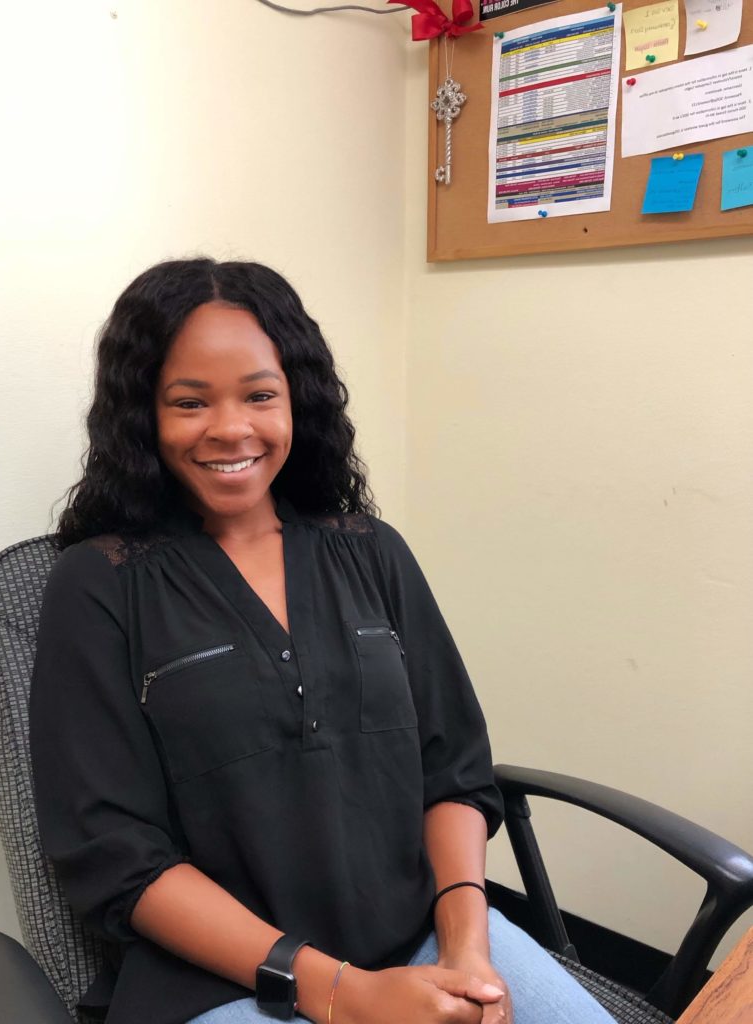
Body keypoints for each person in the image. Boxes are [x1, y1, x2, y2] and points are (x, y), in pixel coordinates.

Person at [30, 258, 616, 1024]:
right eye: (189, 401)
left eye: (259, 395)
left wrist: (465, 946)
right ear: (144, 416)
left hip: (420, 940)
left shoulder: (371, 551)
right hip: (225, 982)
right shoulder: (99, 583)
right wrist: (346, 994)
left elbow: (452, 771)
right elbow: (114, 854)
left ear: (295, 401)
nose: (231, 428)